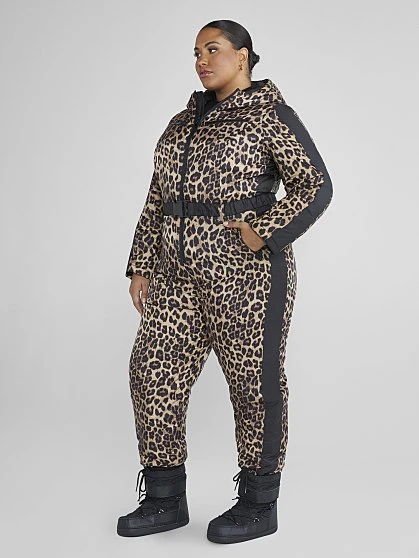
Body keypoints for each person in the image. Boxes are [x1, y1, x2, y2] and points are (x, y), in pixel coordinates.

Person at [117, 19, 333, 544]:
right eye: (196, 52)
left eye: (212, 49)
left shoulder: (270, 115)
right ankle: (165, 498)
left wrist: (265, 230)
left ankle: (259, 505)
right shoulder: (180, 123)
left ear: (243, 56)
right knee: (151, 374)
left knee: (254, 388)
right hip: (176, 277)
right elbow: (156, 197)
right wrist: (141, 263)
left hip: (247, 277)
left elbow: (315, 185)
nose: (201, 61)